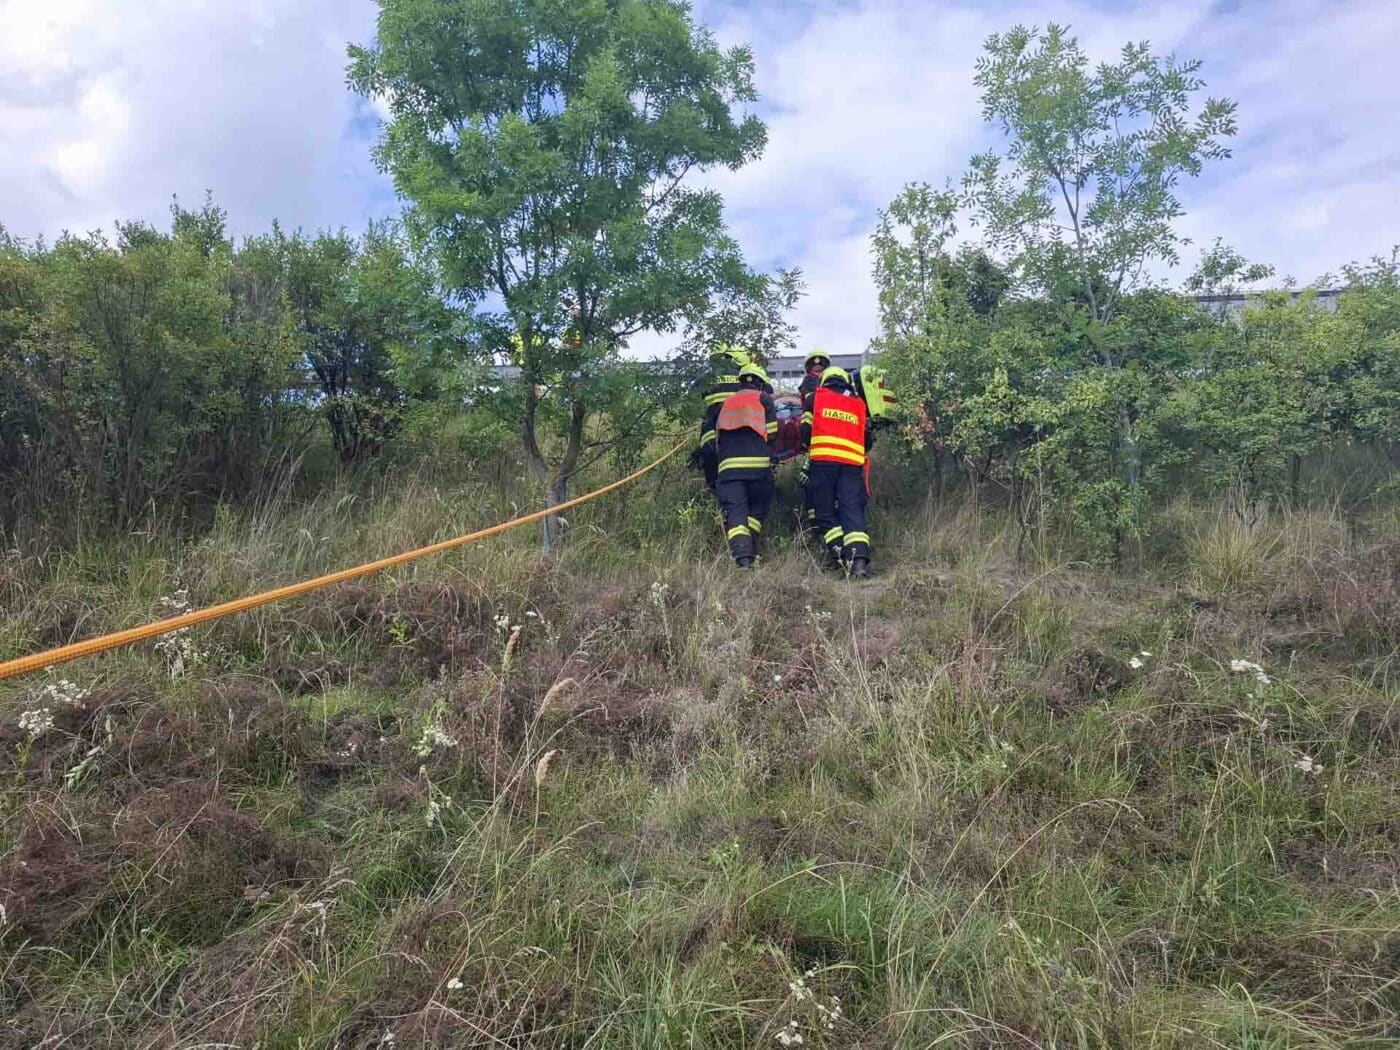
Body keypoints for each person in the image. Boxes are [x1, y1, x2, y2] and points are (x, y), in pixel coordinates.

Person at [801, 366, 872, 578]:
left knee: (824, 513)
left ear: (824, 381)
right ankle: (859, 563)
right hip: (852, 464)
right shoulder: (859, 404)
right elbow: (866, 438)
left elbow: (805, 431)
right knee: (852, 510)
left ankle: (842, 557)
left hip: (823, 463)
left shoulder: (815, 398)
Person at [704, 363, 778, 568]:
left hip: (729, 471)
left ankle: (743, 560)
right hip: (758, 468)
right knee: (758, 508)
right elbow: (772, 433)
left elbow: (711, 440)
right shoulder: (764, 399)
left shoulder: (724, 404)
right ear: (760, 383)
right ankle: (749, 543)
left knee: (736, 514)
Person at [691, 344, 753, 491]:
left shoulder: (704, 380)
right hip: (742, 432)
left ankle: (716, 492)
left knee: (711, 467)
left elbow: (693, 409)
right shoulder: (741, 377)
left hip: (712, 431)